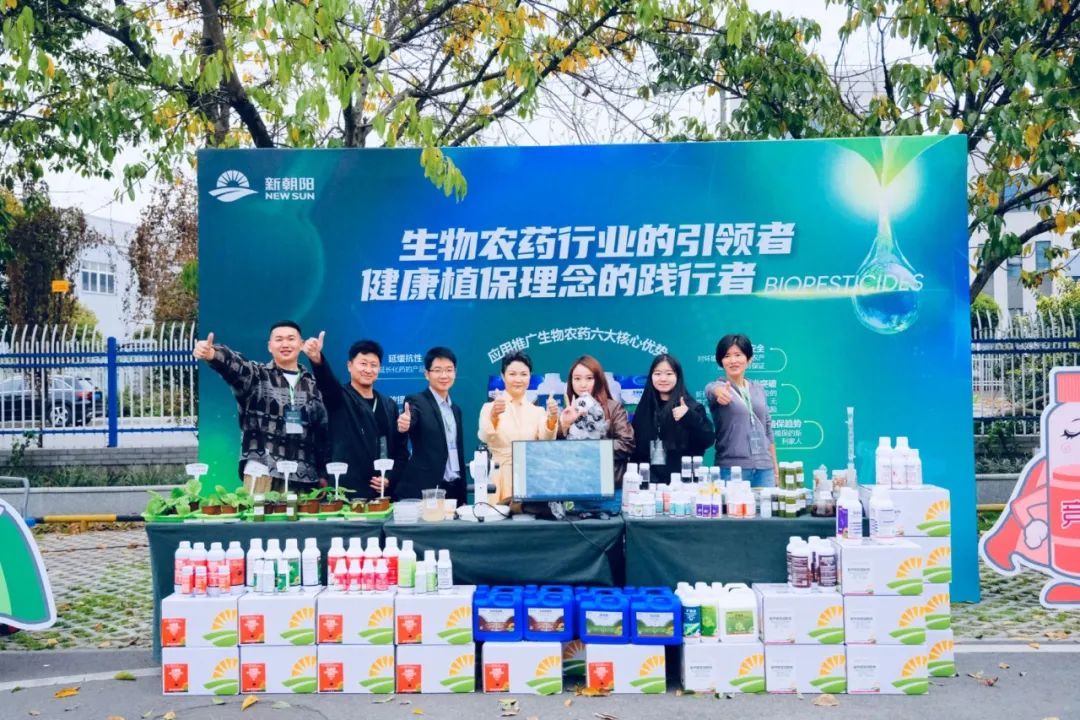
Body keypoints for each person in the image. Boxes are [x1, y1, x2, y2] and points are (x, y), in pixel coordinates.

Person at [193, 321, 330, 491]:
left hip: (305, 476)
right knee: (258, 509)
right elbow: (235, 366)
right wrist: (212, 354)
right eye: (279, 339)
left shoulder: (313, 385)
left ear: (301, 345)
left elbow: (323, 432)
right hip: (262, 470)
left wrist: (323, 472)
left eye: (291, 339)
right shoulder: (257, 376)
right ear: (269, 346)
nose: (285, 344)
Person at [302, 332, 409, 500]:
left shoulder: (389, 405)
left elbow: (400, 451)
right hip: (347, 493)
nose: (368, 370)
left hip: (382, 495)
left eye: (374, 365)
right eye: (363, 364)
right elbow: (327, 383)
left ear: (379, 369)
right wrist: (317, 360)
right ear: (349, 366)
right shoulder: (339, 397)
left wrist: (390, 478)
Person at [478, 352, 559, 503]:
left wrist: (552, 418)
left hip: (530, 477)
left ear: (530, 377)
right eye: (512, 374)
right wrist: (494, 415)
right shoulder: (489, 408)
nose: (518, 379)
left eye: (523, 374)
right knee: (498, 515)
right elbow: (486, 436)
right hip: (499, 477)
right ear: (503, 376)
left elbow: (546, 439)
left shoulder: (538, 411)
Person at [395, 346, 467, 506]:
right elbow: (412, 416)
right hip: (428, 488)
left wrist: (462, 495)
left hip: (454, 488)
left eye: (449, 370)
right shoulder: (417, 401)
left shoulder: (456, 410)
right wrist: (406, 423)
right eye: (437, 370)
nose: (444, 375)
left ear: (455, 372)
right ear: (427, 374)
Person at [705, 334, 778, 487]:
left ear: (749, 359)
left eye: (738, 355)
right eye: (727, 356)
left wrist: (775, 469)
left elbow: (768, 429)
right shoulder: (720, 387)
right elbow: (710, 389)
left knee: (766, 504)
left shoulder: (758, 389)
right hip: (731, 469)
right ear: (721, 361)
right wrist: (717, 391)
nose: (733, 360)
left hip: (765, 469)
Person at [630, 353, 714, 483]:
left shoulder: (691, 407)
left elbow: (707, 440)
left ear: (678, 376)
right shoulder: (645, 407)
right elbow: (637, 449)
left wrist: (689, 417)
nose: (663, 379)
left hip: (683, 483)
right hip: (649, 484)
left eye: (669, 374)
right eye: (657, 374)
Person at [558, 354, 634, 487]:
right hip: (574, 484)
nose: (583, 384)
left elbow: (626, 444)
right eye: (577, 379)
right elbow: (553, 452)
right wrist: (564, 426)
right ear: (571, 382)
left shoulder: (613, 408)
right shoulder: (566, 410)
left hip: (607, 484)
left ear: (598, 380)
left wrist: (592, 447)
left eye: (589, 378)